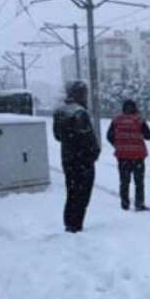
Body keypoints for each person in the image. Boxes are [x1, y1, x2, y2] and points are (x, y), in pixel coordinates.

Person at [53, 81, 100, 233]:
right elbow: (87, 138)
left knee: (71, 192)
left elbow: (57, 136)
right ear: (80, 94)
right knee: (82, 193)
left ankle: (69, 223)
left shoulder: (60, 111)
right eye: (85, 93)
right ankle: (76, 225)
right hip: (83, 160)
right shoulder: (80, 112)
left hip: (67, 158)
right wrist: (94, 153)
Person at [106, 99, 150, 211]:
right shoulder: (139, 120)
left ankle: (124, 203)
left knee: (124, 181)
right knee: (139, 182)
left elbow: (109, 136)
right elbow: (149, 136)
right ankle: (139, 203)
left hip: (122, 156)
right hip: (138, 155)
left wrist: (118, 144)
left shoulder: (116, 120)